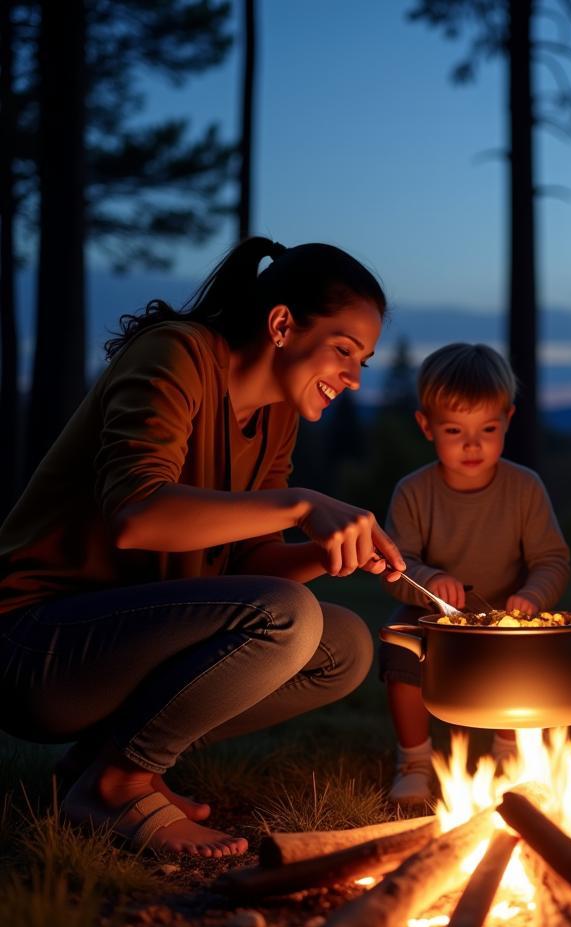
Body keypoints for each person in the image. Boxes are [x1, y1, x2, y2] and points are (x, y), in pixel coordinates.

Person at [0, 237, 406, 857]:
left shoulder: (277, 416)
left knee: (343, 646)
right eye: (344, 352)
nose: (352, 379)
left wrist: (325, 552)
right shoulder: (176, 355)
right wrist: (302, 504)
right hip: (34, 645)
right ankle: (120, 783)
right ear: (281, 325)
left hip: (129, 635)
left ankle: (95, 768)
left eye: (364, 362)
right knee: (286, 616)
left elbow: (247, 566)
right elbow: (137, 517)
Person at [379, 343, 571, 806]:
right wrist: (429, 579)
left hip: (506, 614)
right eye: (454, 430)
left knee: (521, 657)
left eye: (488, 428)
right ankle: (416, 762)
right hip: (435, 618)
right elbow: (392, 565)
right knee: (399, 647)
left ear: (508, 418)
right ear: (426, 426)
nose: (473, 444)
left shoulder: (523, 487)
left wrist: (532, 595)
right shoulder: (413, 491)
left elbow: (552, 559)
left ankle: (510, 753)